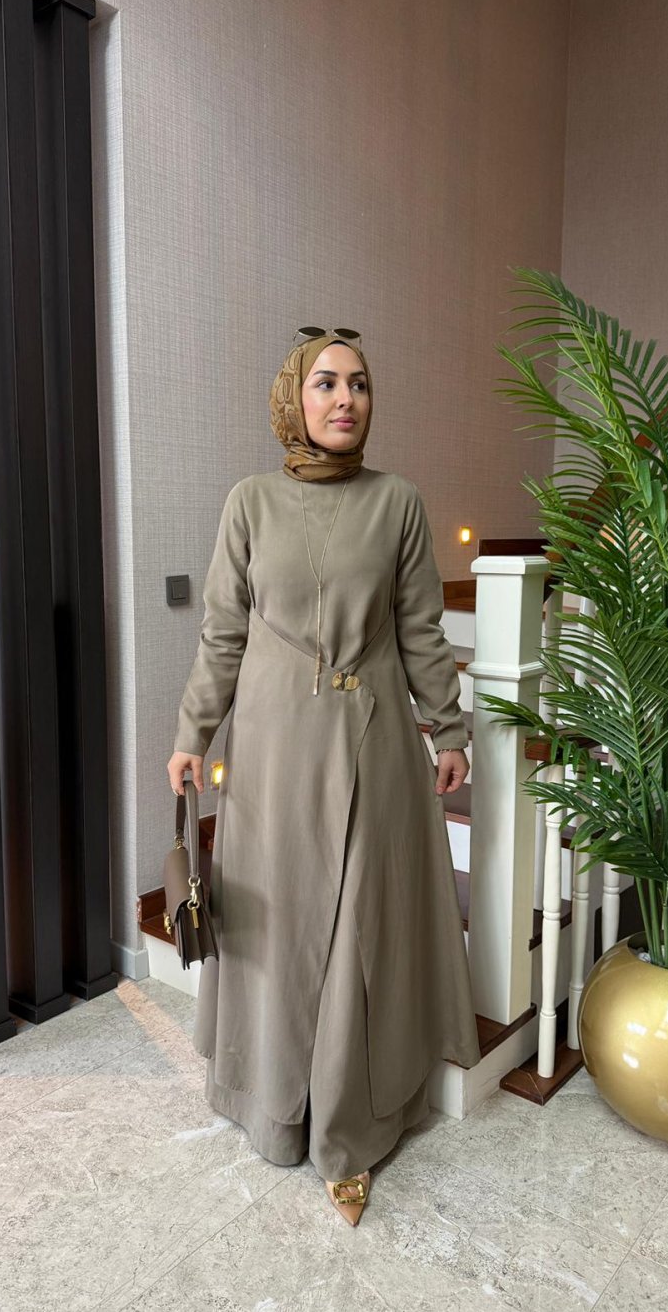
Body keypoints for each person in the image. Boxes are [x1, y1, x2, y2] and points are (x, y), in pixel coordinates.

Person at [168, 329, 481, 1226]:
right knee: (276, 923)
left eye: (361, 384)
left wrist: (447, 725)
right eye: (327, 383)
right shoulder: (249, 502)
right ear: (293, 399)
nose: (346, 399)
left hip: (372, 741)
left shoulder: (399, 503)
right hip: (271, 750)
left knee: (354, 930)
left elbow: (421, 628)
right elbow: (223, 633)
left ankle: (348, 1132)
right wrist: (192, 732)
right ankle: (270, 1105)